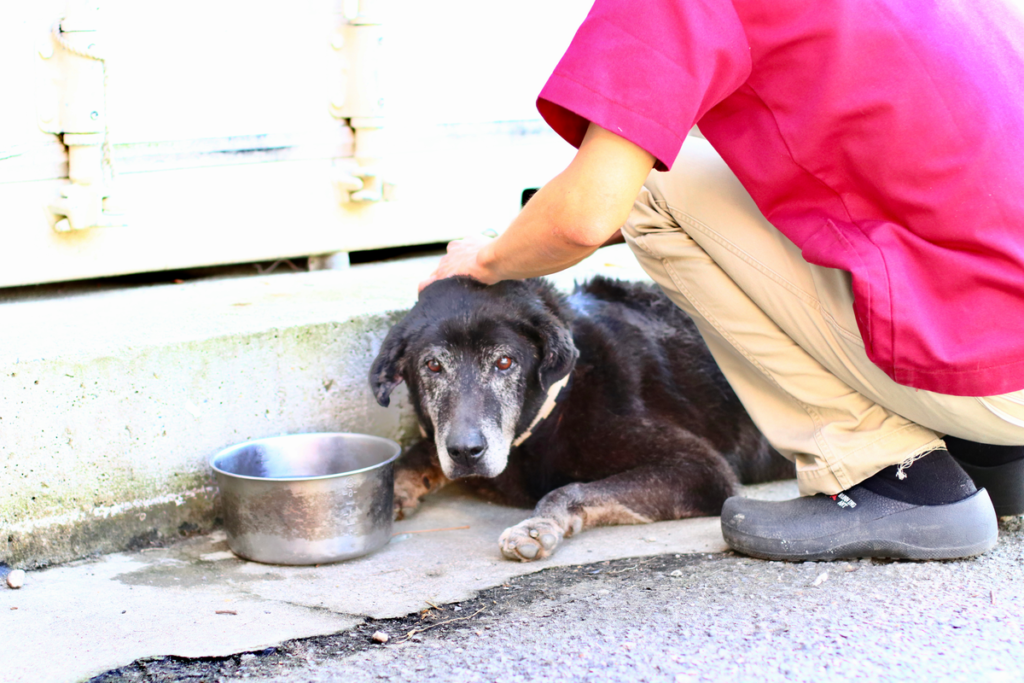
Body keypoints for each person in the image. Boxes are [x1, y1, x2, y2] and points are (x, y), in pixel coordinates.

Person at [420, 0, 1024, 561]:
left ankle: (895, 478)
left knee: (650, 195)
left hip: (1001, 380)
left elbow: (587, 213)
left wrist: (489, 259)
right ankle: (996, 456)